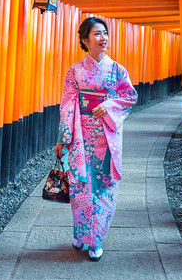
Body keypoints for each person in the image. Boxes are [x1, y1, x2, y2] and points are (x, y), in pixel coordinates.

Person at [54, 16, 138, 262]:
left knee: (103, 187)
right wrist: (62, 139)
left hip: (106, 136)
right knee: (81, 185)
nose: (103, 39)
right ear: (84, 40)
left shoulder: (117, 70)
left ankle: (97, 238)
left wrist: (109, 105)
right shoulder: (75, 72)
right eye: (97, 34)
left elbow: (130, 97)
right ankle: (81, 232)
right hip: (81, 136)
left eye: (105, 33)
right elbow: (67, 106)